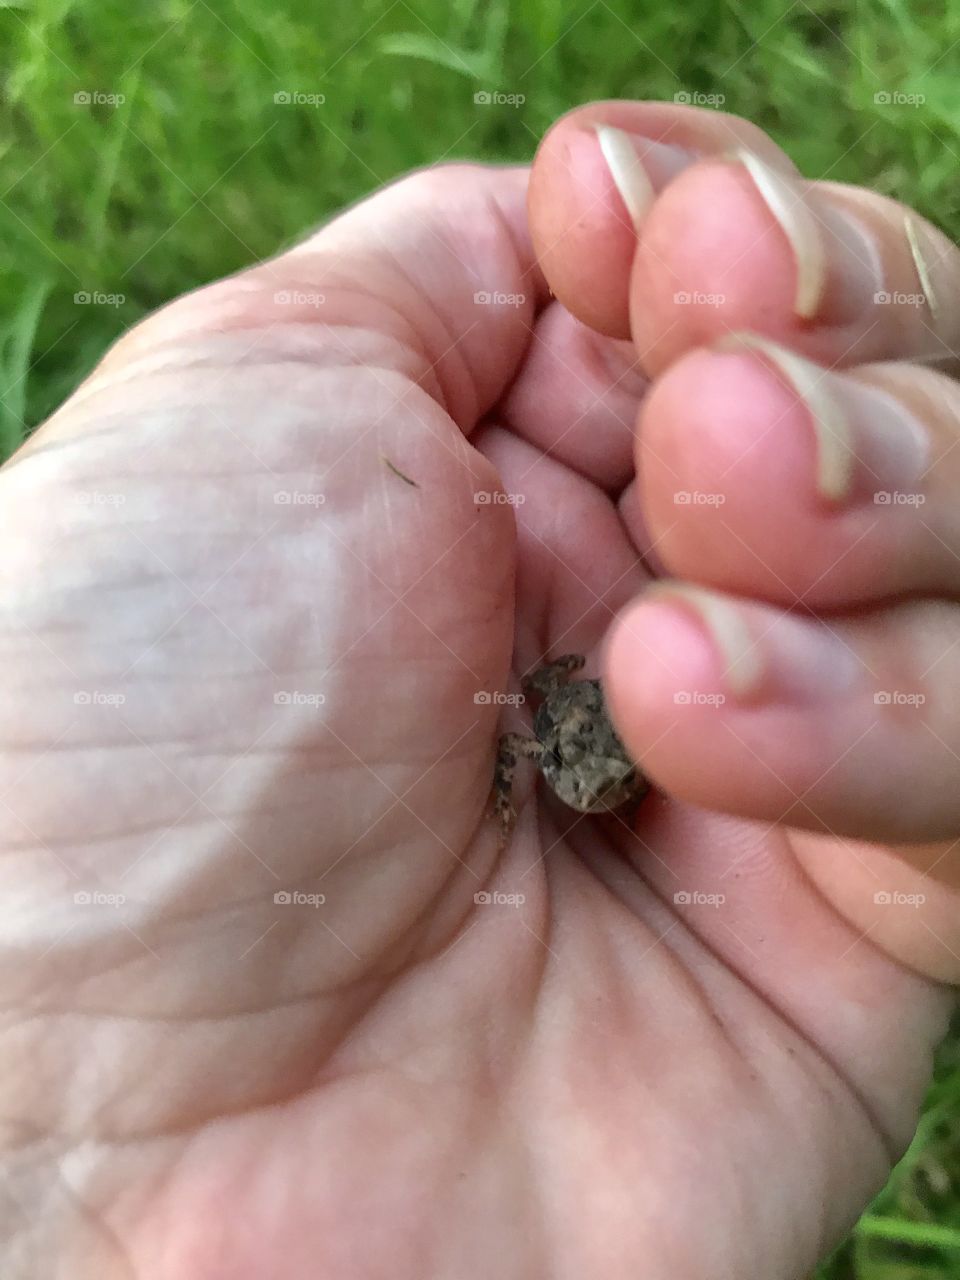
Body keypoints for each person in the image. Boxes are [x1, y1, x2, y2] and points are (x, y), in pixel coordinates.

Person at [2, 99, 958, 1278]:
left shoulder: (615, 754)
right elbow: (541, 742)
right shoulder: (553, 753)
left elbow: (609, 735)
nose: (597, 785)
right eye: (588, 775)